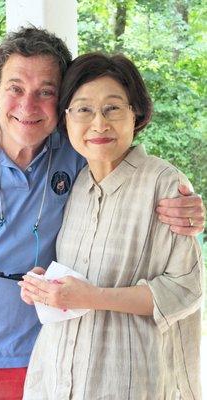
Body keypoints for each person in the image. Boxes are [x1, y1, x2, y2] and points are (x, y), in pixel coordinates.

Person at [0, 27, 204, 400]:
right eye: (15, 89)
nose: (28, 106)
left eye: (45, 91)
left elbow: (125, 162)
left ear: (59, 104)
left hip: (29, 354)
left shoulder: (77, 153)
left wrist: (189, 204)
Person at [20, 53, 203, 399]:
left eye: (113, 108)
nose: (99, 124)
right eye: (84, 110)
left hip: (127, 380)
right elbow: (77, 279)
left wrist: (93, 297)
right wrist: (46, 287)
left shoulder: (164, 183)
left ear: (137, 113)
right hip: (59, 375)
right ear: (66, 119)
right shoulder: (74, 185)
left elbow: (186, 288)